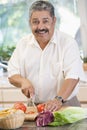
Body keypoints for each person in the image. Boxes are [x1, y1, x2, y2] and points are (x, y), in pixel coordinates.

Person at [8, 0, 86, 112]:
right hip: (35, 107)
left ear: (54, 21)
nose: (40, 27)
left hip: (65, 104)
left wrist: (58, 99)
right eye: (35, 22)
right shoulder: (23, 44)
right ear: (30, 22)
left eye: (45, 21)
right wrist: (22, 81)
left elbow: (73, 77)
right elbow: (12, 73)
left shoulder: (68, 43)